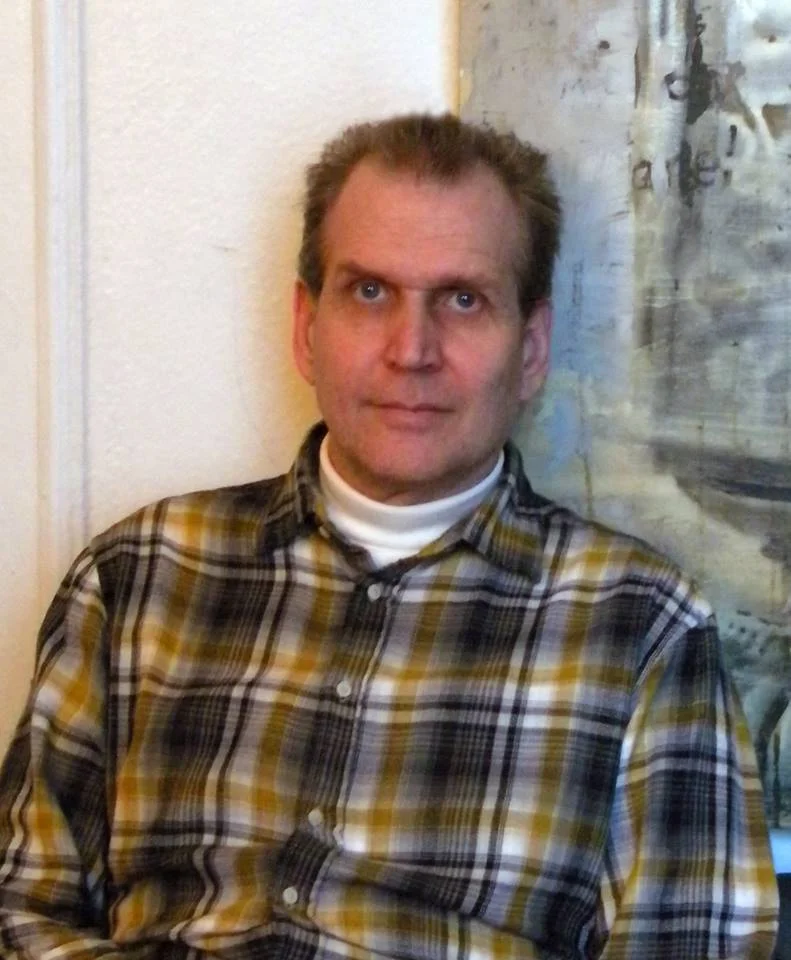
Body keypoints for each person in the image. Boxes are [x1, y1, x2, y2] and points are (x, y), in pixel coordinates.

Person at [0, 113, 778, 959]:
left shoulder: (640, 625)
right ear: (306, 327)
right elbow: (21, 908)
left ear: (530, 349)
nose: (411, 350)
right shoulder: (139, 576)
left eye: (463, 300)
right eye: (369, 292)